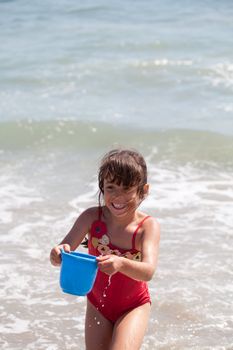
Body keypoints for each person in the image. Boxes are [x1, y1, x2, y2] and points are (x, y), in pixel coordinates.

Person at [50, 148, 160, 350]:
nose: (118, 197)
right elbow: (62, 251)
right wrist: (57, 253)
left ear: (143, 190)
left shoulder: (147, 226)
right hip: (97, 304)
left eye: (127, 189)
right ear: (102, 188)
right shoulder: (91, 218)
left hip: (134, 305)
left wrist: (121, 263)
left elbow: (148, 272)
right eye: (111, 188)